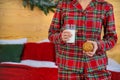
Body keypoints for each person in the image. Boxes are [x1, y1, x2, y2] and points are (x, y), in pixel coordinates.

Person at [48, 0, 118, 80]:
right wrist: (61, 37)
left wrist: (97, 45)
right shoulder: (63, 5)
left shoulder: (105, 7)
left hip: (96, 66)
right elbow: (52, 34)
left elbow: (112, 38)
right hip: (68, 67)